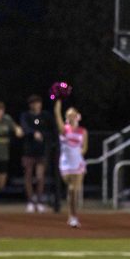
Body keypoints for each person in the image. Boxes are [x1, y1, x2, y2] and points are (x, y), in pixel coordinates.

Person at [53, 96, 87, 229]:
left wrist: (79, 153)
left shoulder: (83, 131)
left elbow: (84, 147)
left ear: (77, 116)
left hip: (78, 164)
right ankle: (71, 215)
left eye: (73, 115)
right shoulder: (64, 129)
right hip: (66, 164)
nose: (71, 117)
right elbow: (57, 115)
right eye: (68, 115)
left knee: (74, 190)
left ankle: (73, 216)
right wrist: (58, 101)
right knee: (71, 189)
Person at [20, 94, 55, 213]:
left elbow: (52, 129)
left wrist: (43, 135)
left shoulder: (46, 116)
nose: (36, 105)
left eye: (38, 103)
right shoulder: (25, 115)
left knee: (40, 177)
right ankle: (30, 201)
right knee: (28, 176)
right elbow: (25, 128)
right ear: (30, 105)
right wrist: (34, 133)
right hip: (28, 151)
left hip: (42, 151)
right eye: (33, 103)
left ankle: (39, 201)